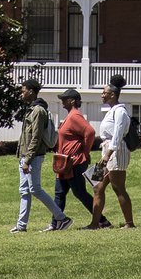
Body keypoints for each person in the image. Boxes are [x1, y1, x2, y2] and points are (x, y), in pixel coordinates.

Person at [12, 76, 68, 231]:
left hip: (33, 158)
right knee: (24, 191)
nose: (21, 94)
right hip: (26, 156)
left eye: (23, 91)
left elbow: (36, 138)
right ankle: (21, 225)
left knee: (35, 189)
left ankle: (62, 218)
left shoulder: (38, 111)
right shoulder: (31, 109)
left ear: (31, 91)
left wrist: (28, 160)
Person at [89, 75, 135, 228]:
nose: (102, 95)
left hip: (116, 151)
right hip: (106, 151)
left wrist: (108, 154)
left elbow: (118, 134)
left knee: (118, 187)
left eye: (104, 92)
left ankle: (129, 223)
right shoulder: (111, 111)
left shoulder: (120, 111)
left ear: (113, 95)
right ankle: (95, 223)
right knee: (97, 187)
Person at [51, 87, 96, 224]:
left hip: (74, 162)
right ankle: (57, 222)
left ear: (72, 101)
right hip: (64, 163)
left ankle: (101, 220)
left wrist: (85, 152)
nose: (62, 101)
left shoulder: (75, 116)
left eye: (64, 99)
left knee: (80, 192)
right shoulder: (70, 116)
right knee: (60, 193)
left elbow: (90, 132)